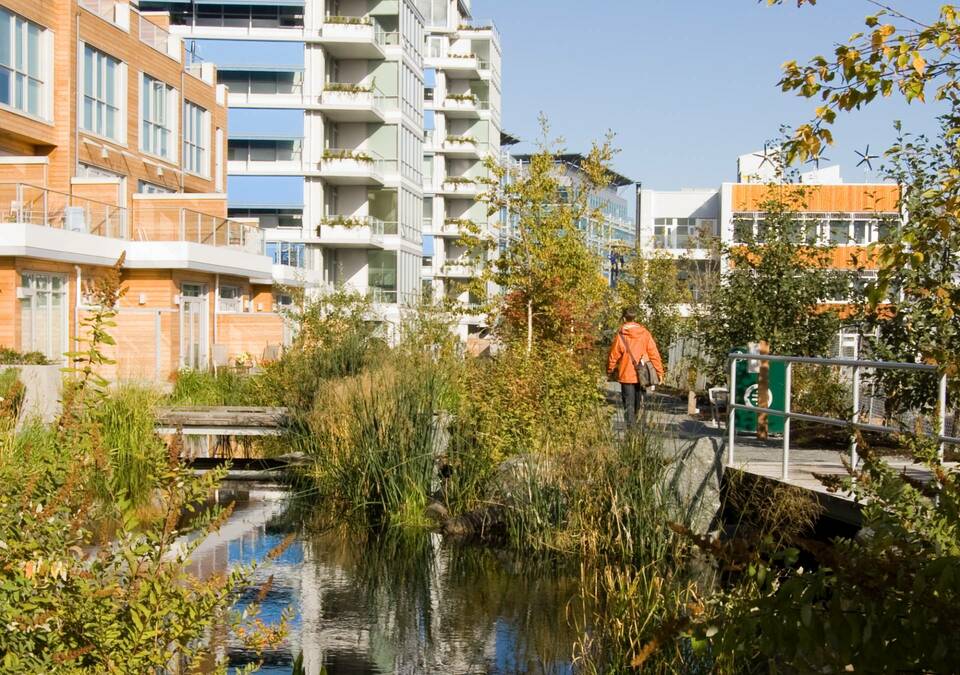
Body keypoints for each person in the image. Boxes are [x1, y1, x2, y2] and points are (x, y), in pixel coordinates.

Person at [607, 309, 665, 428]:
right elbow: (654, 354)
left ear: (624, 319)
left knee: (628, 405)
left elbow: (613, 355)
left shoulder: (621, 335)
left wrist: (610, 370)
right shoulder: (644, 333)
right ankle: (640, 432)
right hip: (642, 375)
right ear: (635, 318)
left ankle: (631, 433)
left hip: (626, 375)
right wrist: (660, 372)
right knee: (640, 404)